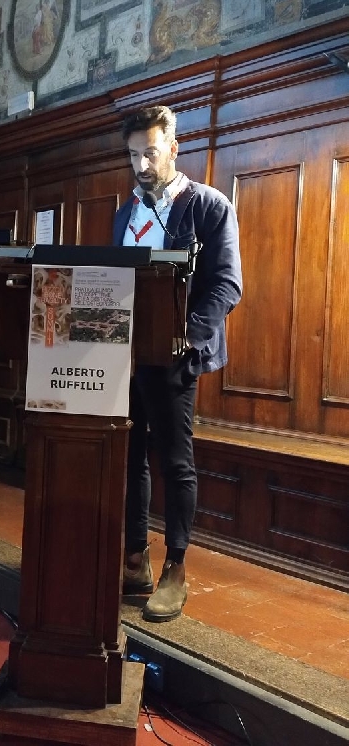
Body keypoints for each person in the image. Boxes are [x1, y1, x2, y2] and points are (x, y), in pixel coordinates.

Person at [114, 105, 242, 622]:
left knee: (174, 460)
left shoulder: (208, 205)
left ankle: (176, 568)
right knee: (128, 457)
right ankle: (135, 557)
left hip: (174, 355)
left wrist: (187, 338)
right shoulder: (126, 212)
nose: (141, 165)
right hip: (125, 355)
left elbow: (227, 284)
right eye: (132, 156)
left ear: (173, 146)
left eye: (150, 152)